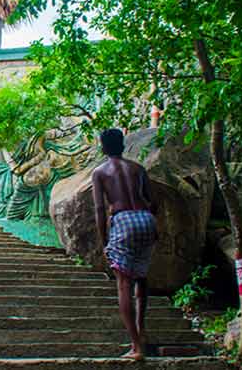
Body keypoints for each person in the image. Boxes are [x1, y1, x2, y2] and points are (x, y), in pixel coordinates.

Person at [92, 128, 158, 361]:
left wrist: (104, 241)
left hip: (123, 220)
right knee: (141, 276)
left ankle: (136, 346)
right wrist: (152, 225)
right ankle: (142, 331)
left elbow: (100, 209)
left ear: (103, 147)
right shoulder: (138, 169)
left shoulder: (100, 172)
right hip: (146, 218)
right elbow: (153, 201)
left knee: (123, 283)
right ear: (123, 145)